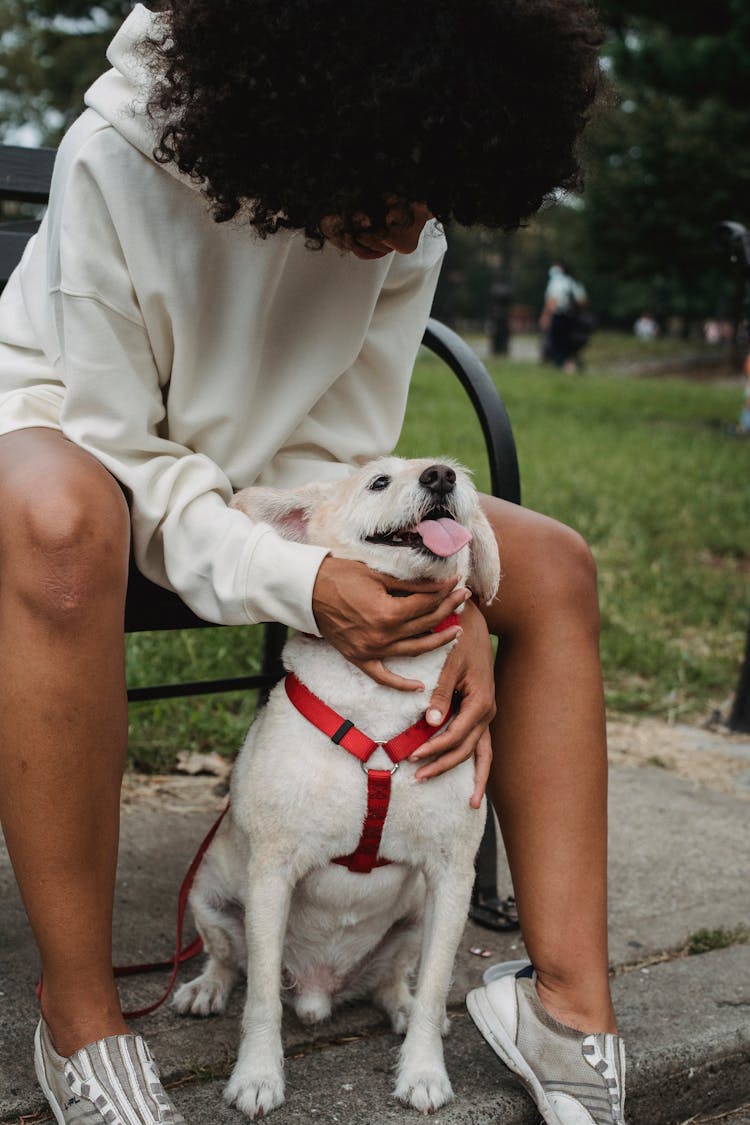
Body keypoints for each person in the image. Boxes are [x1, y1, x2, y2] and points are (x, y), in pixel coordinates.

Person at [0, 2, 624, 1123]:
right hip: (76, 441)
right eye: (387, 203)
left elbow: (346, 456)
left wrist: (448, 593)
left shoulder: (411, 193)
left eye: (429, 213)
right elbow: (117, 445)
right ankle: (79, 1020)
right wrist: (301, 582)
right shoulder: (116, 155)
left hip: (274, 488)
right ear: (310, 125)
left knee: (557, 570)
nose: (403, 240)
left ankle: (569, 1012)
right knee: (58, 531)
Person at [540, 260, 591, 372]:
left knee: (556, 342)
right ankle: (570, 363)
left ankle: (564, 365)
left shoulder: (555, 283)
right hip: (572, 317)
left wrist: (546, 316)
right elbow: (583, 301)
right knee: (567, 341)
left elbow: (552, 301)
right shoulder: (572, 282)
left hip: (558, 316)